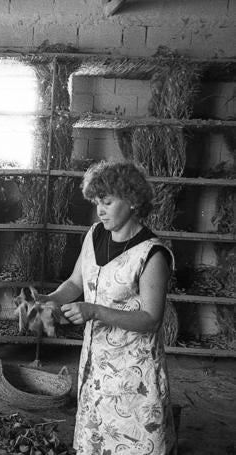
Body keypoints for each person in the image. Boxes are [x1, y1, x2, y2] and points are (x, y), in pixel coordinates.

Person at [43, 161, 176, 454]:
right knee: (97, 440)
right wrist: (44, 300)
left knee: (134, 442)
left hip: (134, 371)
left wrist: (94, 311)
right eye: (96, 202)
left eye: (107, 201)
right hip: (95, 364)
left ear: (132, 201)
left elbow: (151, 319)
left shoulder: (151, 254)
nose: (99, 210)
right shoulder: (94, 235)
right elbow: (74, 284)